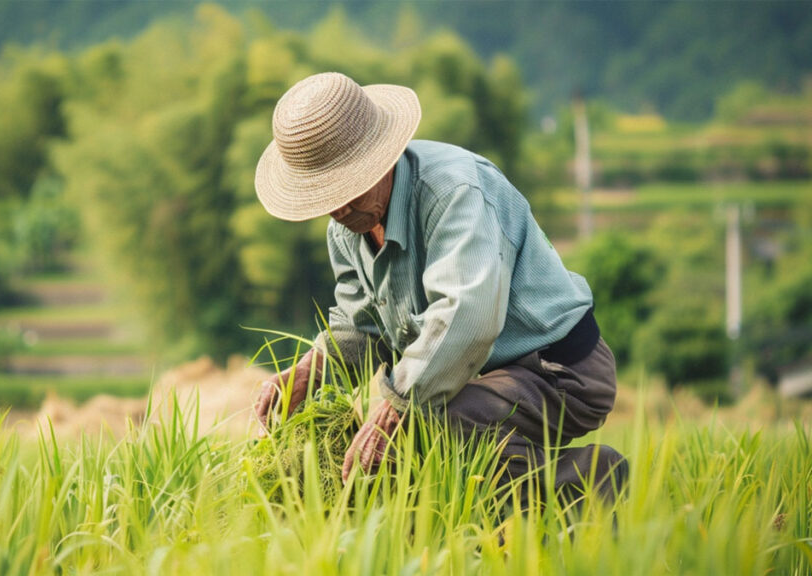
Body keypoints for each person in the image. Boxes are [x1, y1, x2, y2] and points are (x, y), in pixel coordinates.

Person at [252, 72, 627, 500]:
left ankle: (591, 486)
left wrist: (395, 407)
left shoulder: (453, 191)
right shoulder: (348, 229)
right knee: (418, 446)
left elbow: (467, 316)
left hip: (558, 368)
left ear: (381, 157)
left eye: (348, 186)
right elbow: (365, 325)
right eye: (324, 197)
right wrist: (312, 370)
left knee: (433, 423)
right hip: (474, 375)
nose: (339, 208)